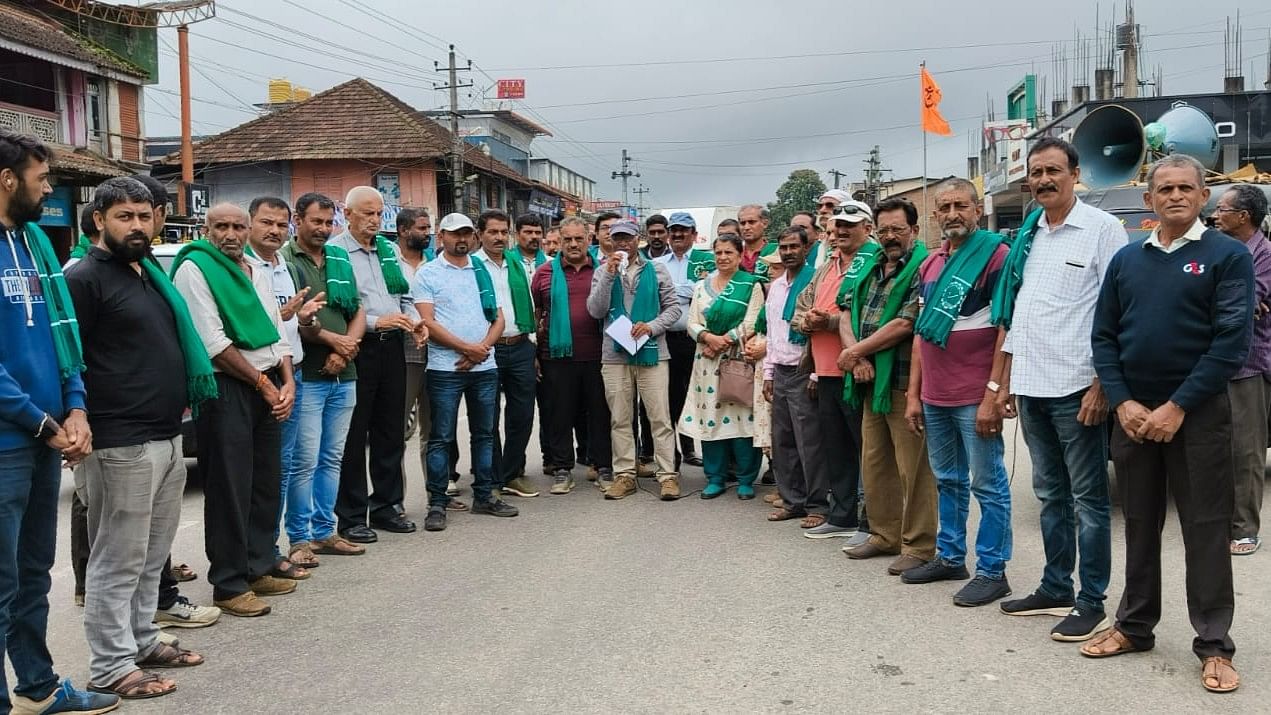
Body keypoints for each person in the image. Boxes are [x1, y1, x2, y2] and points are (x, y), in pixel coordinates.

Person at [1082, 155, 1253, 695]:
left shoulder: (1227, 256)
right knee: (1138, 523)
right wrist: (1123, 400)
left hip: (1197, 414)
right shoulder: (1129, 260)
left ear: (1204, 196)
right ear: (1149, 199)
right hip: (1133, 415)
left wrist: (1177, 406)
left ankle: (1214, 645)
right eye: (1164, 188)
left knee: (1205, 527)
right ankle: (1134, 625)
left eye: (1186, 188)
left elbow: (1231, 342)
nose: (1175, 195)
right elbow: (1104, 336)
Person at [67, 177, 211, 699]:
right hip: (118, 438)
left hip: (167, 433)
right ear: (99, 219)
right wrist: (73, 418)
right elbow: (70, 357)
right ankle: (110, 666)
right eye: (124, 216)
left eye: (144, 215)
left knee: (153, 555)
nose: (136, 225)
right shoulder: (85, 278)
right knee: (117, 559)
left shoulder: (149, 273)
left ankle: (143, 639)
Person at [0, 130, 119, 714]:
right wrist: (43, 422)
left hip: (44, 433)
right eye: (42, 180)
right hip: (7, 440)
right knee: (0, 585)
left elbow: (62, 342)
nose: (48, 190)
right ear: (8, 180)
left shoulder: (33, 246)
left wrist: (75, 408)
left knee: (31, 575)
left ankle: (38, 686)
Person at [992, 137, 1126, 641]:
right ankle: (1055, 586)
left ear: (1075, 174)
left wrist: (1103, 385)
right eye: (1036, 173)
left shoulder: (1102, 229)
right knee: (1049, 494)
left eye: (1053, 171)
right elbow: (1021, 315)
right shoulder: (1030, 235)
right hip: (1032, 385)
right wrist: (1004, 381)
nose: (1043, 180)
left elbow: (1117, 311)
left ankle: (1093, 600)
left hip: (1078, 386)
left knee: (1089, 500)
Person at [172, 203, 297, 617]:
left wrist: (287, 381)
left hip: (267, 383)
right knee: (229, 487)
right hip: (227, 387)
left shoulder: (254, 269)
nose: (230, 233)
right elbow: (212, 341)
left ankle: (258, 565)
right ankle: (228, 583)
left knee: (265, 482)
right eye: (220, 226)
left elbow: (275, 330)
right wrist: (263, 385)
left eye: (237, 226)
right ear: (206, 229)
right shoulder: (196, 268)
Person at [902, 181, 1014, 607]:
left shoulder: (997, 255)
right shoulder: (930, 264)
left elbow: (1006, 326)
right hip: (936, 394)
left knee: (988, 484)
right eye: (944, 207)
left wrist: (995, 391)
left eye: (960, 205)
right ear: (935, 216)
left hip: (975, 394)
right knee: (947, 480)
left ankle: (992, 570)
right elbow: (920, 336)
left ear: (976, 208)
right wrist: (915, 394)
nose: (952, 213)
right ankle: (950, 556)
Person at [838, 198, 938, 579]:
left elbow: (906, 323)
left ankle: (920, 544)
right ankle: (884, 534)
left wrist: (855, 352)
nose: (891, 237)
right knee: (876, 463)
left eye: (898, 229)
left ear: (913, 230)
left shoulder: (923, 268)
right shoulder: (869, 266)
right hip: (868, 381)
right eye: (884, 231)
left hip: (902, 381)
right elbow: (845, 310)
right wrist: (856, 357)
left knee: (914, 468)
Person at [413, 213, 519, 532]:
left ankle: (485, 496)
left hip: (484, 366)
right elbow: (427, 322)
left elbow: (499, 319)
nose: (462, 239)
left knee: (485, 434)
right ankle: (437, 502)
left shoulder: (481, 272)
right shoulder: (427, 273)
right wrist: (465, 349)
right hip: (445, 368)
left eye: (467, 234)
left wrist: (481, 349)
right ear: (440, 236)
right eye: (454, 234)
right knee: (441, 437)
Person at [281, 193, 368, 565]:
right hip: (308, 376)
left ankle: (324, 531)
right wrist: (335, 342)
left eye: (328, 222)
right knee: (305, 460)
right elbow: (293, 317)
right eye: (316, 221)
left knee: (333, 457)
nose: (323, 228)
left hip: (344, 374)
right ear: (297, 220)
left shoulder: (339, 257)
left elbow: (358, 308)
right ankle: (299, 538)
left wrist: (347, 347)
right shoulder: (286, 260)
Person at [332, 186, 417, 541]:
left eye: (378, 214)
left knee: (389, 430)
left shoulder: (388, 249)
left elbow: (405, 297)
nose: (373, 220)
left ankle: (387, 505)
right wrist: (375, 322)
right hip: (358, 349)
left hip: (393, 347)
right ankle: (352, 516)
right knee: (354, 435)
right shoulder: (335, 251)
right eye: (367, 213)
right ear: (347, 214)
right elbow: (336, 309)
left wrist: (414, 321)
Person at [791, 201, 875, 542]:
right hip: (825, 371)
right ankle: (842, 516)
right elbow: (800, 309)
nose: (841, 230)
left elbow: (871, 317)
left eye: (850, 225)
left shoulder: (874, 261)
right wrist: (809, 321)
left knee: (868, 450)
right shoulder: (827, 265)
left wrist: (828, 320)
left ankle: (872, 521)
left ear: (867, 228)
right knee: (836, 449)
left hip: (858, 371)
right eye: (837, 224)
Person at [586, 219, 683, 500]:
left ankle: (667, 476)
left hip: (653, 351)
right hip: (615, 354)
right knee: (620, 418)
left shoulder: (656, 269)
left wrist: (651, 326)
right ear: (610, 240)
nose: (623, 243)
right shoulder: (602, 270)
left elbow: (674, 308)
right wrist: (608, 273)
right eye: (617, 238)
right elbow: (595, 310)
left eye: (627, 237)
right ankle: (625, 475)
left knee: (660, 418)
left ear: (637, 239)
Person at [245, 196, 312, 580]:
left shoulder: (284, 267)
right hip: (258, 378)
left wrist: (300, 318)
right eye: (265, 222)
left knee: (283, 467)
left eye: (280, 224)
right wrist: (283, 316)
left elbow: (289, 327)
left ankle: (270, 548)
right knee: (264, 470)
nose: (273, 230)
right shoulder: (245, 268)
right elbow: (255, 325)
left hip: (292, 373)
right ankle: (261, 552)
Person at [679, 234, 766, 498]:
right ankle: (714, 477)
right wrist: (707, 337)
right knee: (710, 417)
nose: (723, 257)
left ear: (740, 256)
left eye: (729, 252)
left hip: (737, 360)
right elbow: (691, 321)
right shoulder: (701, 286)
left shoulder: (750, 285)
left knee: (742, 418)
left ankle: (746, 479)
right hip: (705, 360)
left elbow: (753, 322)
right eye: (719, 252)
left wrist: (724, 341)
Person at [532, 217, 613, 493]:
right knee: (559, 414)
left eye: (579, 239)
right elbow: (537, 314)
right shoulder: (544, 273)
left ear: (589, 240)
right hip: (556, 357)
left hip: (598, 356)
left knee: (600, 414)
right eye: (568, 239)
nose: (574, 244)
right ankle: (562, 469)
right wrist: (534, 353)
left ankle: (603, 467)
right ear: (559, 241)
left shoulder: (603, 271)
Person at [1213, 184, 1271, 556]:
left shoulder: (1263, 254)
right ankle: (1220, 520)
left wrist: (1232, 302)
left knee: (1246, 451)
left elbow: (1248, 303)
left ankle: (1245, 528)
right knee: (1214, 447)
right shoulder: (1223, 249)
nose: (1215, 215)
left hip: (1248, 365)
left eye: (1222, 209)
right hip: (1214, 362)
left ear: (1243, 217)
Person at [763, 226, 830, 524]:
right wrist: (767, 372)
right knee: (783, 440)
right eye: (784, 247)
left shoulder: (814, 282)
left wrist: (816, 373)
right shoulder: (776, 287)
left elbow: (816, 333)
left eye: (794, 247)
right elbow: (772, 333)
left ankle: (817, 505)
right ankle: (793, 501)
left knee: (810, 442)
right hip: (780, 370)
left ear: (806, 249)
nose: (789, 252)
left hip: (805, 370)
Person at [472, 210, 540, 498]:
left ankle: (511, 473)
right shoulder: (472, 265)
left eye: (503, 232)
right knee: (488, 417)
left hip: (521, 345)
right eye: (493, 232)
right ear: (480, 234)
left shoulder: (516, 263)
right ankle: (492, 477)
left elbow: (529, 302)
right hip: (488, 348)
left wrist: (534, 345)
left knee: (522, 415)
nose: (499, 237)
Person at [653, 211, 714, 468]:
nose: (678, 235)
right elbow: (657, 295)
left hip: (696, 341)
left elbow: (707, 291)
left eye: (684, 230)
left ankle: (691, 450)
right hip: (666, 339)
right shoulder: (658, 263)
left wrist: (677, 290)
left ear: (693, 234)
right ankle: (672, 455)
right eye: (674, 230)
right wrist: (688, 288)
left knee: (696, 396)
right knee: (668, 398)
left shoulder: (706, 259)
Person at [737, 204, 771, 275]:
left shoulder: (775, 251)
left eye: (751, 222)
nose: (746, 227)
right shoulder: (734, 253)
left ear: (765, 224)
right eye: (742, 223)